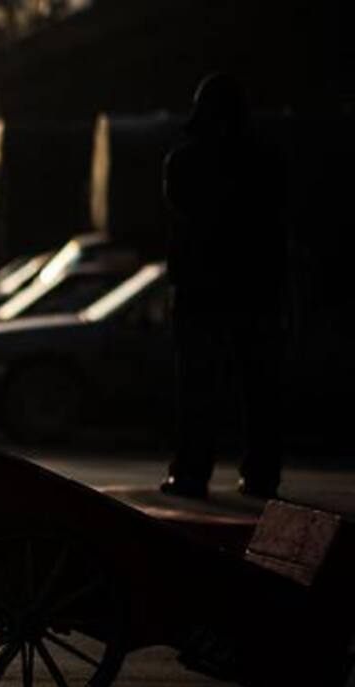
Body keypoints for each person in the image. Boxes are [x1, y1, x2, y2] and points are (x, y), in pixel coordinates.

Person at [160, 73, 286, 500]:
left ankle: (193, 472)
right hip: (257, 291)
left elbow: (182, 215)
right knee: (260, 391)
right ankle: (261, 474)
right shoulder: (265, 161)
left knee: (198, 390)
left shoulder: (185, 162)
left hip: (202, 294)